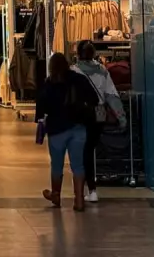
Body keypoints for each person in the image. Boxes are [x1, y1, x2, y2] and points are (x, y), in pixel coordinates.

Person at [35, 52, 98, 211]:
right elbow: (94, 99)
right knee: (78, 165)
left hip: (56, 130)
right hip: (78, 127)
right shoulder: (79, 79)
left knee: (57, 164)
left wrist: (41, 120)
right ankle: (79, 200)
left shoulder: (49, 83)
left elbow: (41, 107)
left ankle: (56, 195)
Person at [73, 40, 127, 203]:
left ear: (78, 54)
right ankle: (93, 189)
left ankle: (87, 189)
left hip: (82, 112)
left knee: (83, 151)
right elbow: (111, 95)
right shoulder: (103, 70)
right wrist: (121, 116)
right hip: (100, 111)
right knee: (93, 148)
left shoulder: (74, 71)